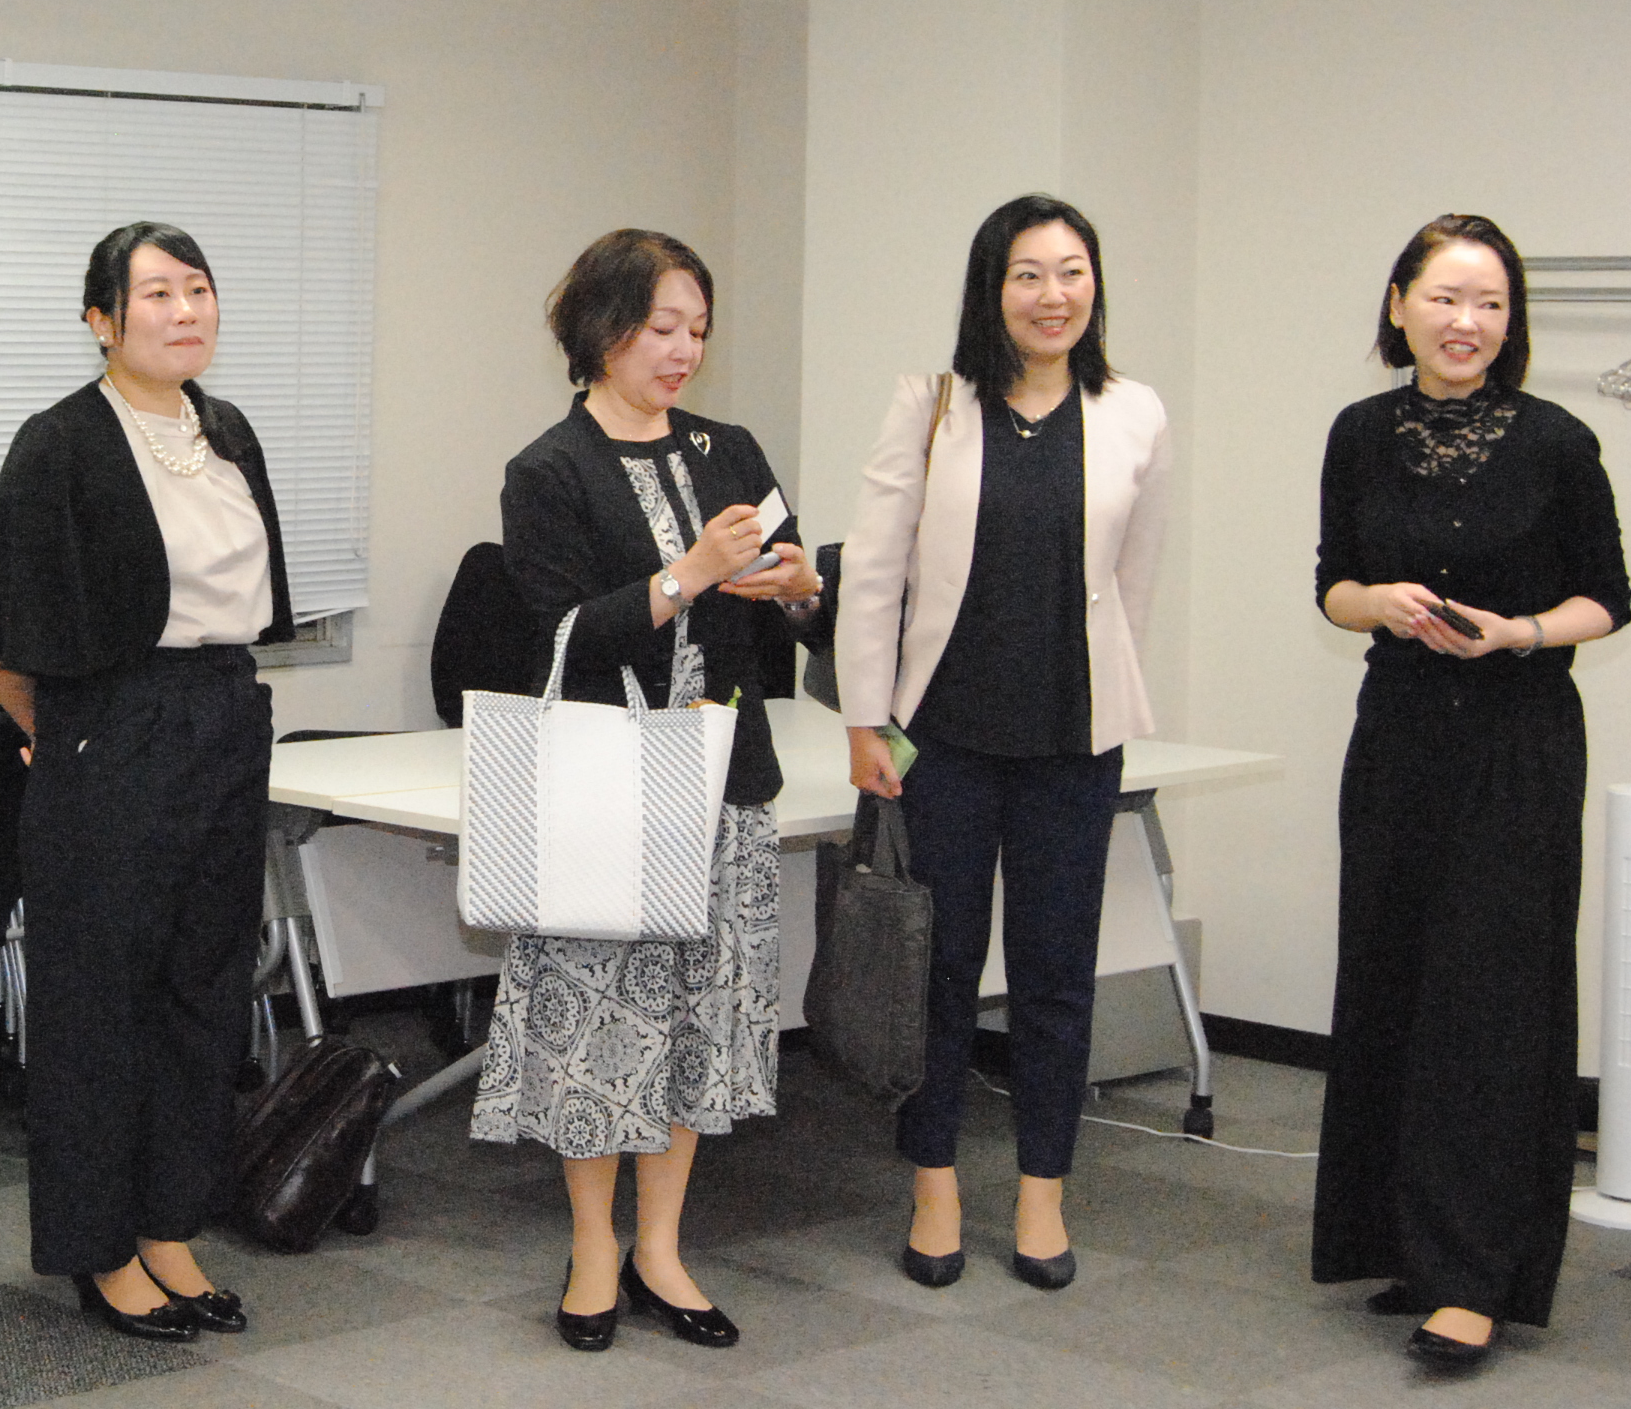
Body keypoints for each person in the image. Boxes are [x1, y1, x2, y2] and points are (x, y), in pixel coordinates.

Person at [470, 228, 824, 1355]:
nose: (683, 352)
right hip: (606, 791)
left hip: (723, 782)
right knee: (600, 1027)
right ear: (602, 328)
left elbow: (801, 606)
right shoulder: (548, 470)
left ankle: (662, 1249)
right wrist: (690, 574)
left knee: (697, 1023)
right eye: (662, 328)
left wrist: (798, 586)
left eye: (698, 331)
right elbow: (559, 637)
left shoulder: (731, 449)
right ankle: (592, 1248)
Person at [0, 222, 291, 1343]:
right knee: (100, 1005)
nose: (185, 311)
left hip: (225, 716)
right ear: (100, 320)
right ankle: (98, 1251)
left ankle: (168, 1227)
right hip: (112, 729)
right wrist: (69, 739)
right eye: (155, 293)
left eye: (198, 288)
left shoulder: (227, 430)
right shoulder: (60, 443)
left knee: (204, 991)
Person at [835, 192, 1170, 1293]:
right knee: (936, 967)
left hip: (1073, 742)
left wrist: (1117, 702)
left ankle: (1041, 1192)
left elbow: (1133, 586)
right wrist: (865, 717)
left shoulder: (1133, 412)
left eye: (1072, 272)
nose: (1052, 295)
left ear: (1095, 287)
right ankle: (933, 1181)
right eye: (1028, 274)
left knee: (1055, 974)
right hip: (942, 739)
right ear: (992, 290)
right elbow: (873, 571)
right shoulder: (931, 405)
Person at [1309, 214, 1628, 1370]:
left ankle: (1474, 1276)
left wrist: (1519, 631)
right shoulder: (1358, 434)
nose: (1466, 322)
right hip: (1397, 733)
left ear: (1510, 321)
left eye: (1489, 303)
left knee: (1488, 1001)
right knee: (1392, 976)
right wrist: (1381, 604)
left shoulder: (1557, 442)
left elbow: (1608, 600)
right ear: (1398, 305)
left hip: (1516, 739)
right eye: (1444, 298)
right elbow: (1331, 585)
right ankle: (1404, 1245)